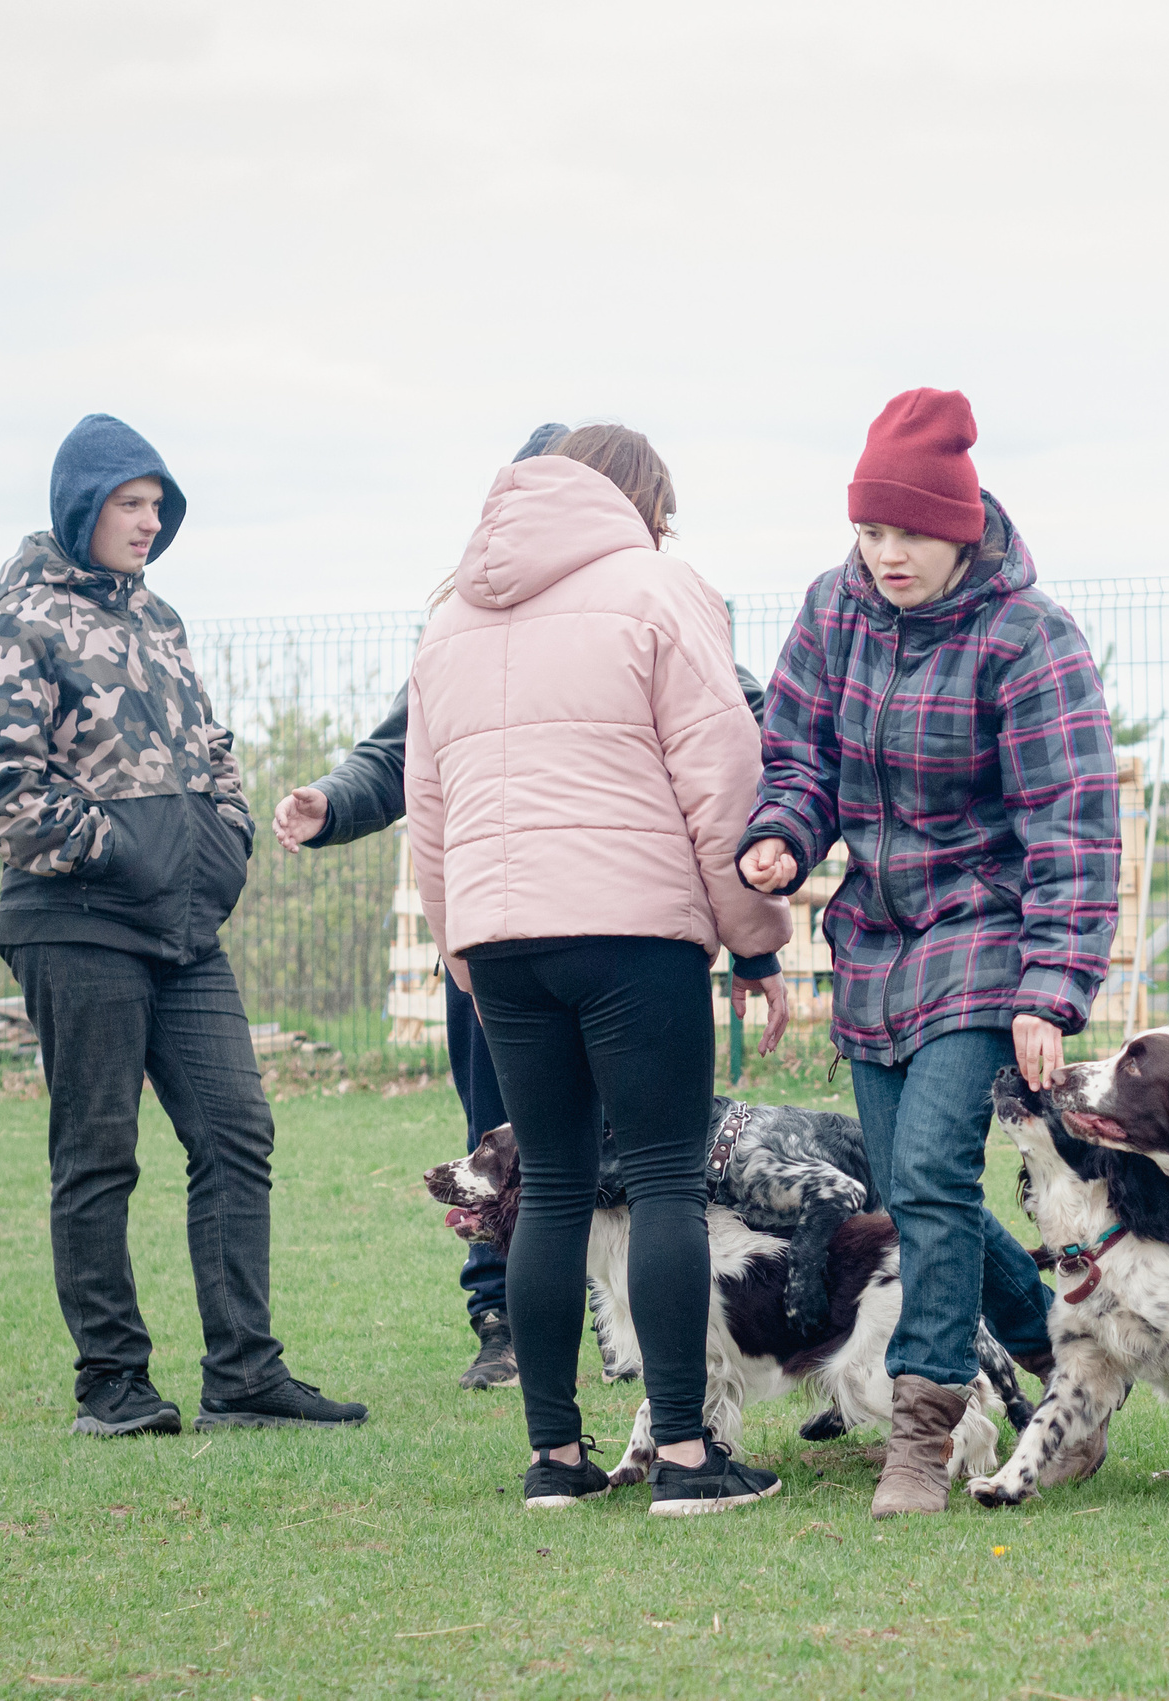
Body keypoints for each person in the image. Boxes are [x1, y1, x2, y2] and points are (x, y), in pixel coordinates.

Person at [738, 388, 1119, 1518]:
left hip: (987, 940)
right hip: (875, 939)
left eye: (910, 532)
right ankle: (1061, 1369)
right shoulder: (831, 612)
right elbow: (796, 755)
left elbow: (1072, 826)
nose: (888, 554)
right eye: (870, 531)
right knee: (913, 1197)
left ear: (961, 527)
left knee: (930, 1178)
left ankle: (921, 1431)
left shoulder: (1029, 637)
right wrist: (781, 837)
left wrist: (1052, 989)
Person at [404, 423, 794, 1514]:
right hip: (630, 930)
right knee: (666, 1177)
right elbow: (719, 778)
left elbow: (427, 816)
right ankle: (683, 1456)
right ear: (641, 504)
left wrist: (463, 952)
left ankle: (554, 1461)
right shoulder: (663, 589)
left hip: (499, 942)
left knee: (557, 1188)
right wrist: (757, 938)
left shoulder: (448, 622)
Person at [0, 413, 365, 1436]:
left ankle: (245, 1372)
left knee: (237, 1131)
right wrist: (118, 850)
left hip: (185, 932)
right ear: (81, 508)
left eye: (157, 507)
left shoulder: (163, 623)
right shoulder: (21, 625)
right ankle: (114, 1384)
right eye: (129, 505)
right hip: (76, 923)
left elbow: (210, 752)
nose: (147, 524)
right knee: (98, 1155)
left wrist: (222, 837)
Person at [272, 423, 567, 1394]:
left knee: (626, 1134)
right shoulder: (462, 626)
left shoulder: (649, 605)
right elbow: (400, 753)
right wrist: (334, 801)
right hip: (488, 926)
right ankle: (501, 1318)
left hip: (612, 920)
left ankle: (622, 1319)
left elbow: (729, 716)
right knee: (496, 1128)